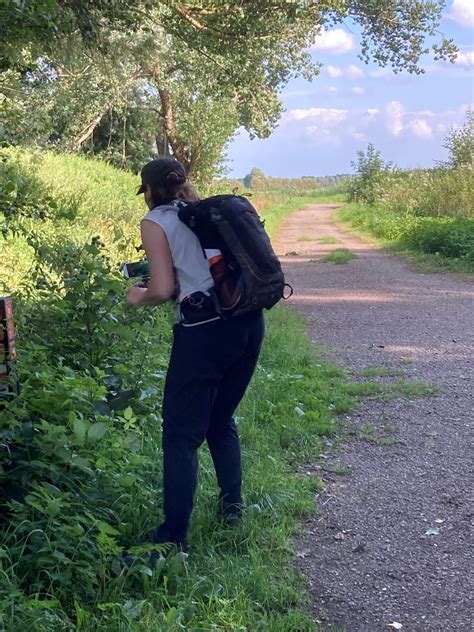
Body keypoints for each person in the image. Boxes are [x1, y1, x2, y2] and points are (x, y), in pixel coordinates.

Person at [126, 158, 265, 552]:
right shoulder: (204, 213)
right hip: (249, 322)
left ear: (150, 190)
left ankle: (172, 540)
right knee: (220, 420)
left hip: (204, 333)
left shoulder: (156, 222)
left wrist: (135, 295)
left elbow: (162, 288)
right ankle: (232, 510)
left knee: (180, 435)